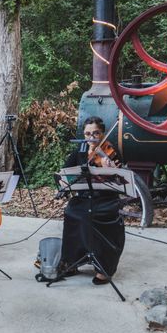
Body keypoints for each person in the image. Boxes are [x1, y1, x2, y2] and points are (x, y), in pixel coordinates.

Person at [60, 116, 125, 285]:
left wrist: (110, 169)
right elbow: (66, 171)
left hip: (106, 198)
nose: (91, 137)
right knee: (72, 212)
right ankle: (73, 261)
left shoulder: (111, 151)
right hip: (84, 197)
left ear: (102, 133)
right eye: (88, 134)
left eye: (95, 133)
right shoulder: (80, 150)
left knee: (98, 216)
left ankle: (104, 267)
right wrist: (64, 183)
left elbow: (120, 179)